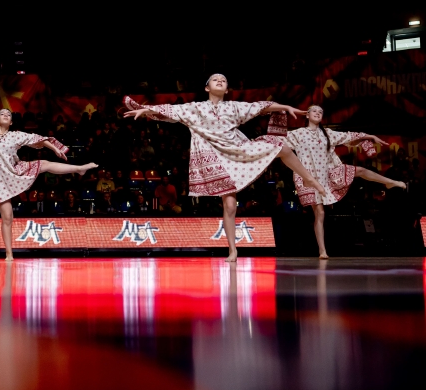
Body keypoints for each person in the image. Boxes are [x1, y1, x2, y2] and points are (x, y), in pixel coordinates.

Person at [124, 74, 327, 262]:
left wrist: (286, 107)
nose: (220, 80)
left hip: (237, 150)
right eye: (215, 79)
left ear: (227, 89)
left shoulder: (234, 107)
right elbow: (170, 110)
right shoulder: (196, 108)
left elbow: (261, 106)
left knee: (281, 146)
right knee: (229, 206)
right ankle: (232, 250)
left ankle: (308, 178)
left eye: (223, 80)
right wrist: (145, 110)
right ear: (207, 88)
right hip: (217, 159)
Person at [0, 108, 97, 260]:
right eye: (2, 114)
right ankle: (9, 254)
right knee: (7, 217)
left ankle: (79, 169)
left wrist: (55, 149)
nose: (5, 115)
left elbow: (38, 139)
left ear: (11, 122)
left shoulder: (16, 135)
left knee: (44, 164)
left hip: (14, 170)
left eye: (8, 114)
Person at [273, 105, 406, 259]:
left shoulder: (328, 134)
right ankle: (322, 251)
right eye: (314, 111)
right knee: (319, 212)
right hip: (308, 176)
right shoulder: (298, 134)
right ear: (307, 115)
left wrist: (369, 136)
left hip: (328, 173)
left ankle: (390, 182)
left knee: (360, 170)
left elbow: (349, 136)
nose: (318, 113)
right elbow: (276, 142)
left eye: (321, 112)